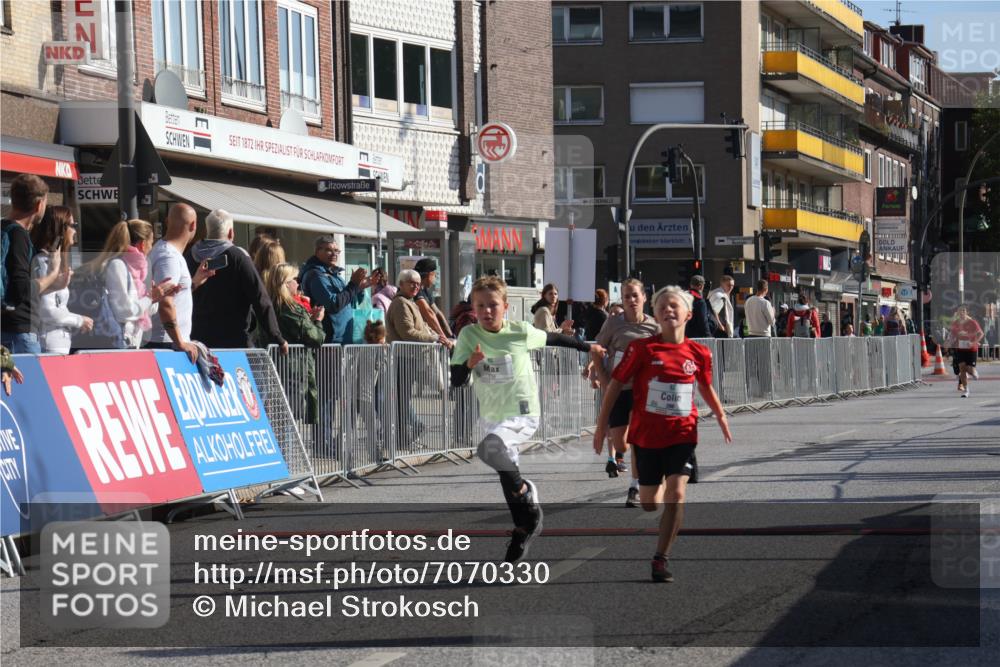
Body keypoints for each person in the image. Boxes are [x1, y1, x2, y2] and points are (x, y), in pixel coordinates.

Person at [451, 276, 605, 562]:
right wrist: (469, 364)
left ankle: (526, 491)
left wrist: (589, 348)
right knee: (503, 472)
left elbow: (555, 338)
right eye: (480, 306)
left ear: (505, 307)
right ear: (473, 308)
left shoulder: (520, 332)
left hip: (522, 412)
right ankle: (524, 527)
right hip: (492, 416)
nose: (487, 311)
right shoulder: (469, 336)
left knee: (490, 451)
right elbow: (456, 380)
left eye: (493, 305)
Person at [593, 285, 732, 583]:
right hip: (646, 438)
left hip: (682, 435)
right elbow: (616, 385)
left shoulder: (699, 352)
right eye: (663, 307)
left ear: (688, 314)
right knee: (649, 503)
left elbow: (705, 386)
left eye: (674, 306)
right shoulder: (642, 349)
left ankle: (661, 558)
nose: (669, 310)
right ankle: (648, 495)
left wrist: (720, 415)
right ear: (655, 315)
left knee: (677, 493)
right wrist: (602, 425)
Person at [592, 278, 659, 506]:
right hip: (618, 388)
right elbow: (598, 350)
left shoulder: (653, 327)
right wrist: (600, 376)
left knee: (638, 439)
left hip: (643, 390)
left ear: (644, 298)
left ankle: (635, 486)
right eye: (626, 296)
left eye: (635, 295)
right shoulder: (613, 324)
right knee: (622, 444)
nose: (631, 300)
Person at [186, 209, 287, 350]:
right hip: (234, 342)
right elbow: (260, 298)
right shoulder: (238, 257)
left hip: (196, 340)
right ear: (231, 233)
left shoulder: (189, 255)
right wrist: (277, 337)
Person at [75, 220, 176, 350]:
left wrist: (156, 297)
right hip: (115, 344)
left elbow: (142, 310)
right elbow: (124, 312)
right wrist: (150, 298)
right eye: (152, 243)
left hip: (129, 343)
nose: (152, 248)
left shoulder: (136, 271)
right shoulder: (118, 266)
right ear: (143, 244)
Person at [2, 174, 68, 353]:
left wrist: (52, 286)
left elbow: (13, 287)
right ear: (39, 205)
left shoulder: (4, 229)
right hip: (19, 332)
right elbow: (22, 290)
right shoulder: (19, 235)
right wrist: (53, 274)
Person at [386, 269, 449, 449]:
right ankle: (401, 440)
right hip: (402, 357)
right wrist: (434, 338)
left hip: (409, 357)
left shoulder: (410, 302)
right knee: (401, 401)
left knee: (403, 400)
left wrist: (435, 335)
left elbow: (419, 328)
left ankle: (404, 439)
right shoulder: (401, 303)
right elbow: (408, 332)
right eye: (411, 282)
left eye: (418, 283)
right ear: (401, 284)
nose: (416, 286)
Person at [146, 203, 215, 362]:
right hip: (166, 344)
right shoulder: (169, 257)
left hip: (166, 342)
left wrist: (194, 282)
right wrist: (180, 342)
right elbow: (165, 303)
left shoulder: (165, 251)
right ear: (193, 225)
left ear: (167, 222)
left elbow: (170, 295)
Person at [264, 263, 325, 422]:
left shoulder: (271, 305)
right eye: (295, 279)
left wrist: (309, 318)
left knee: (283, 421)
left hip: (285, 369)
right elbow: (315, 337)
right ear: (285, 283)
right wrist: (318, 321)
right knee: (287, 423)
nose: (298, 283)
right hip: (292, 371)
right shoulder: (288, 308)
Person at [29, 206, 93, 353]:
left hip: (58, 343)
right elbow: (47, 310)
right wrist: (79, 320)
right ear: (60, 228)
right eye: (73, 225)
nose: (75, 230)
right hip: (48, 344)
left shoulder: (53, 261)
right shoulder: (42, 262)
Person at [299, 235, 369, 344]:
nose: (334, 254)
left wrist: (359, 287)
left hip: (343, 338)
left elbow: (347, 301)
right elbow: (334, 304)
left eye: (336, 250)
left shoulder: (334, 274)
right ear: (317, 251)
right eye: (329, 250)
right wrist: (353, 284)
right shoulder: (316, 275)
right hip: (330, 340)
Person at [947, 305, 984, 398]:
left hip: (971, 349)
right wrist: (949, 342)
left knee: (969, 369)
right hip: (960, 349)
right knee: (962, 369)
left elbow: (981, 334)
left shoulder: (972, 322)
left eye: (964, 310)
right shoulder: (955, 323)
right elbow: (952, 335)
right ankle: (966, 390)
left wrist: (974, 343)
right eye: (960, 310)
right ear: (958, 312)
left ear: (967, 312)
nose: (962, 312)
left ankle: (973, 372)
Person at [412, 258, 453, 342]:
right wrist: (444, 338)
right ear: (430, 274)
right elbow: (429, 314)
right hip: (415, 340)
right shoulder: (415, 290)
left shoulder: (425, 290)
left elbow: (437, 313)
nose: (435, 279)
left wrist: (451, 335)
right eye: (435, 275)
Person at [684, 275, 717, 339]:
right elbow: (703, 321)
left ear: (691, 284)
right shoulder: (699, 301)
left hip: (682, 336)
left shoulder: (683, 296)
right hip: (695, 337)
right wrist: (708, 336)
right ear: (701, 286)